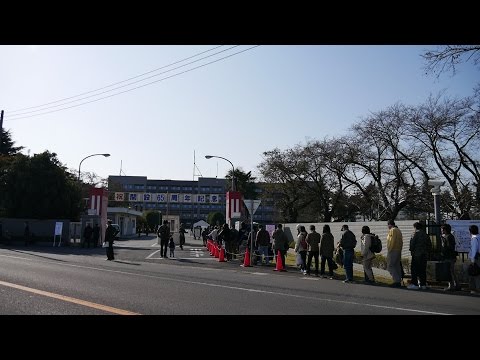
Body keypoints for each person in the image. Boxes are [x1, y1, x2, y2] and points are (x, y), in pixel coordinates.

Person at [441, 224, 460, 291]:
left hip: (449, 257)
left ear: (445, 230)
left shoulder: (448, 237)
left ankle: (451, 286)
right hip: (451, 256)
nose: (441, 230)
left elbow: (449, 247)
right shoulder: (449, 236)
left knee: (449, 272)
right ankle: (457, 285)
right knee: (452, 271)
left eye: (442, 229)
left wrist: (443, 250)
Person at [386, 220, 403, 287]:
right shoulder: (398, 230)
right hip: (398, 250)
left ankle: (396, 281)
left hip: (393, 250)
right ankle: (399, 280)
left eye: (388, 225)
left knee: (390, 266)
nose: (388, 227)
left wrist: (389, 250)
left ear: (390, 224)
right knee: (396, 266)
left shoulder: (392, 230)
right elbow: (401, 241)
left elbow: (391, 240)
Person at [468, 225, 480, 295]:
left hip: (476, 258)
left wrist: (472, 261)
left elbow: (474, 250)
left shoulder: (474, 238)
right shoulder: (479, 237)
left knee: (475, 274)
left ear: (470, 231)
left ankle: (476, 289)